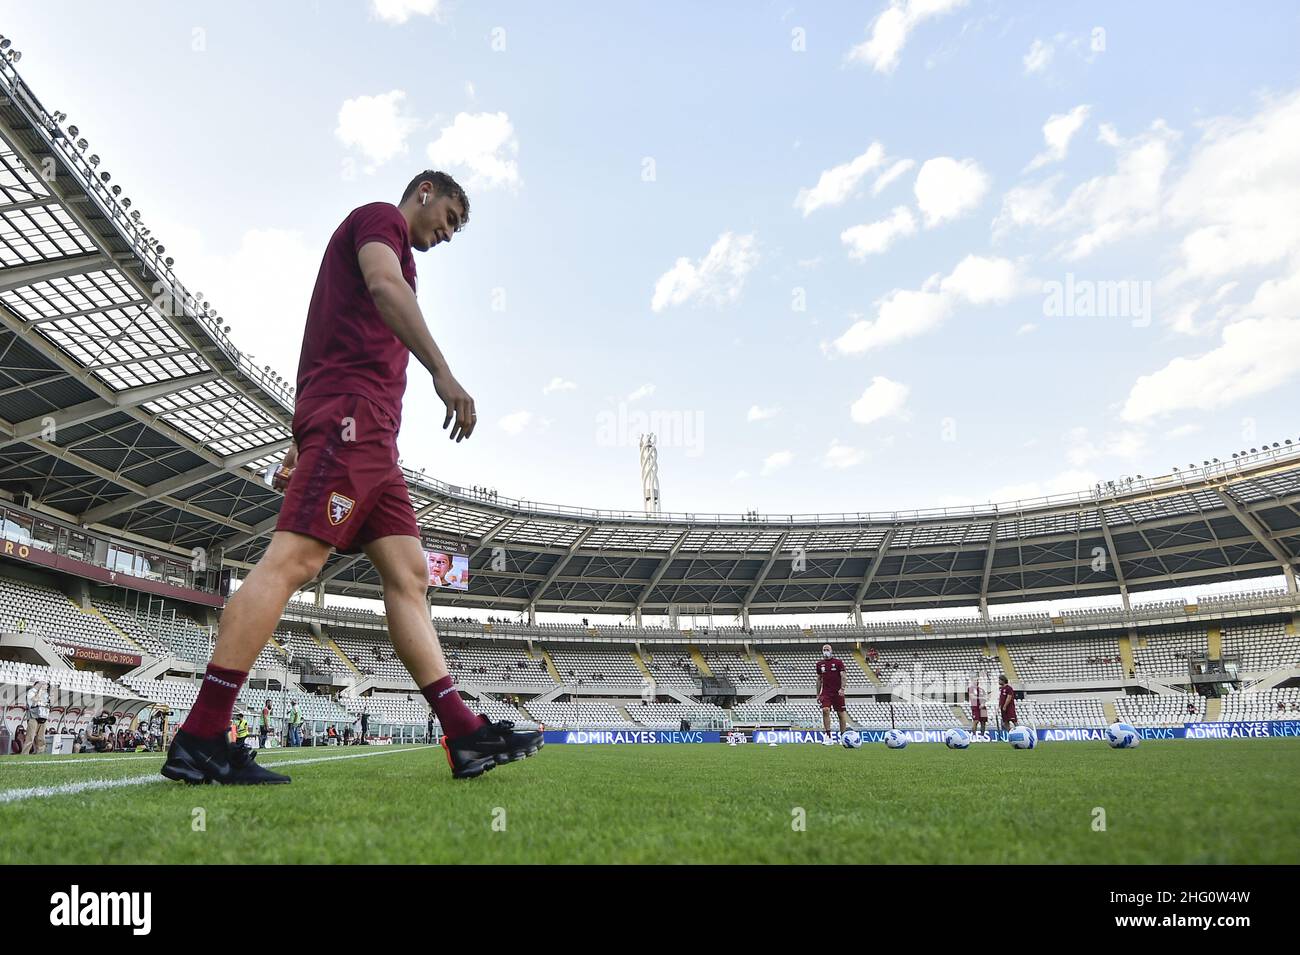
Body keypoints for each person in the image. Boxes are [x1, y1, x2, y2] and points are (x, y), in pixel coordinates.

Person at [160, 173, 541, 785]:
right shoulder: (379, 221)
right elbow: (382, 286)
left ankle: (464, 733)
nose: (445, 234)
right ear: (422, 192)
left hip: (372, 440)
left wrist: (298, 439)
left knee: (410, 577)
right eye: (445, 217)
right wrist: (443, 372)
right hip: (352, 419)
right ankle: (202, 735)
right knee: (294, 562)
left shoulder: (396, 248)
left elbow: (333, 334)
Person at [815, 644, 848, 743]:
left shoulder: (838, 662)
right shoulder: (819, 664)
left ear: (831, 650)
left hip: (837, 692)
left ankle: (843, 736)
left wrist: (842, 688)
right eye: (824, 649)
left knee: (841, 714)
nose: (826, 651)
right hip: (826, 692)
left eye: (827, 649)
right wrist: (818, 694)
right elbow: (819, 679)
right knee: (825, 710)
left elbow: (843, 676)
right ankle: (828, 736)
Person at [21, 681, 50, 755]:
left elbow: (47, 703)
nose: (45, 686)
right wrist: (40, 691)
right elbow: (35, 699)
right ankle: (25, 754)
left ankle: (40, 753)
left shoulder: (45, 693)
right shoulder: (31, 692)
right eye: (43, 684)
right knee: (30, 737)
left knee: (41, 737)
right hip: (33, 716)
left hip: (43, 716)